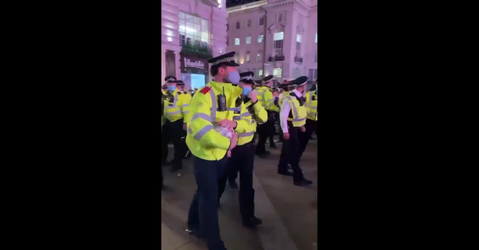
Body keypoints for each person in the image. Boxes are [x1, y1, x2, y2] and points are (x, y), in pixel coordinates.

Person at [186, 51, 250, 250]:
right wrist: (228, 144)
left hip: (221, 154)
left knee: (204, 192)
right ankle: (215, 244)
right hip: (204, 154)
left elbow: (246, 116)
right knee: (210, 198)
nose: (237, 72)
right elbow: (201, 130)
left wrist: (235, 125)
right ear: (222, 70)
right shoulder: (203, 95)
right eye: (233, 68)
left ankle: (192, 223)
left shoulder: (231, 92)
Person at [217, 71, 267, 227]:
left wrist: (256, 102)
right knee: (222, 176)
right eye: (243, 85)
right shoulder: (231, 101)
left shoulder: (253, 103)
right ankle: (215, 200)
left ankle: (248, 216)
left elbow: (263, 118)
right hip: (231, 147)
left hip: (247, 148)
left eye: (249, 85)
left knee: (247, 183)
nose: (247, 88)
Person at [277, 76, 313, 186]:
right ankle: (298, 178)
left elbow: (299, 113)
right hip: (290, 128)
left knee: (287, 150)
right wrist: (285, 131)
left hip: (295, 127)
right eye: (305, 85)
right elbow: (283, 116)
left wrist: (301, 125)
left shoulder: (299, 97)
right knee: (294, 153)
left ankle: (282, 168)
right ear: (303, 86)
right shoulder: (290, 98)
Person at [161, 80, 190, 172]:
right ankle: (164, 160)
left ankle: (177, 163)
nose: (170, 85)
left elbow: (186, 111)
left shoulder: (182, 95)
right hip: (167, 121)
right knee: (164, 142)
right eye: (169, 84)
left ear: (176, 85)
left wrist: (185, 123)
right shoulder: (166, 95)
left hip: (177, 122)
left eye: (172, 84)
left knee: (177, 144)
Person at [254, 75, 277, 157]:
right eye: (271, 82)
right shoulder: (267, 91)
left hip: (258, 113)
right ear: (269, 83)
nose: (272, 83)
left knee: (261, 134)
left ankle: (261, 150)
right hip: (266, 113)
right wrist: (277, 108)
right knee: (264, 135)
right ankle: (259, 151)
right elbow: (269, 105)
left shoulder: (257, 90)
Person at [299, 79, 318, 158]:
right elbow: (302, 107)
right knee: (301, 142)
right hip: (308, 121)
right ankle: (294, 159)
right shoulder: (308, 94)